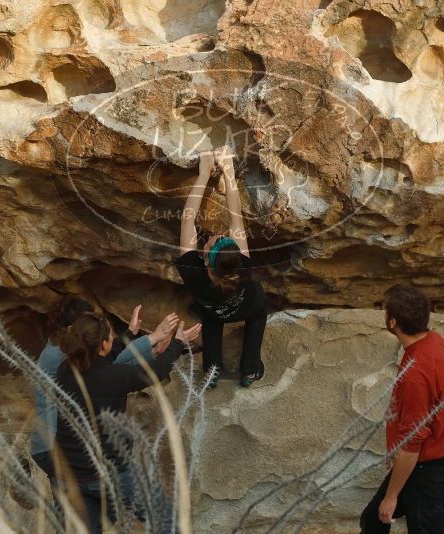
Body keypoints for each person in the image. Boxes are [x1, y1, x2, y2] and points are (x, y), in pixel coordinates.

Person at [53, 311, 201, 533]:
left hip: (67, 473)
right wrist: (177, 343)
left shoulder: (64, 370)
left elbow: (102, 358)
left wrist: (130, 335)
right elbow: (155, 371)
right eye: (110, 337)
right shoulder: (114, 377)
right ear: (103, 344)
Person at [30, 297, 177, 479]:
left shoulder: (68, 350)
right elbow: (110, 364)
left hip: (54, 446)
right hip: (52, 447)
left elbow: (107, 362)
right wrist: (151, 339)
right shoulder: (58, 354)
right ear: (74, 329)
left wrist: (142, 341)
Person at [359, 285, 444, 534]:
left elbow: (413, 441)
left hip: (427, 469)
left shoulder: (415, 374)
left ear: (393, 322)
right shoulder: (434, 341)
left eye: (385, 313)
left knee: (384, 517)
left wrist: (392, 496)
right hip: (422, 462)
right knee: (372, 522)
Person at [175, 147, 267, 388]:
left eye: (216, 239)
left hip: (216, 310)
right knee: (259, 312)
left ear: (205, 260)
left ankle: (212, 371)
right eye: (223, 238)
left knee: (212, 318)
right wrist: (228, 170)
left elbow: (187, 219)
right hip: (249, 306)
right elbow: (236, 215)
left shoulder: (193, 273)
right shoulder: (243, 267)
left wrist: (204, 172)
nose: (219, 233)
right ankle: (250, 369)